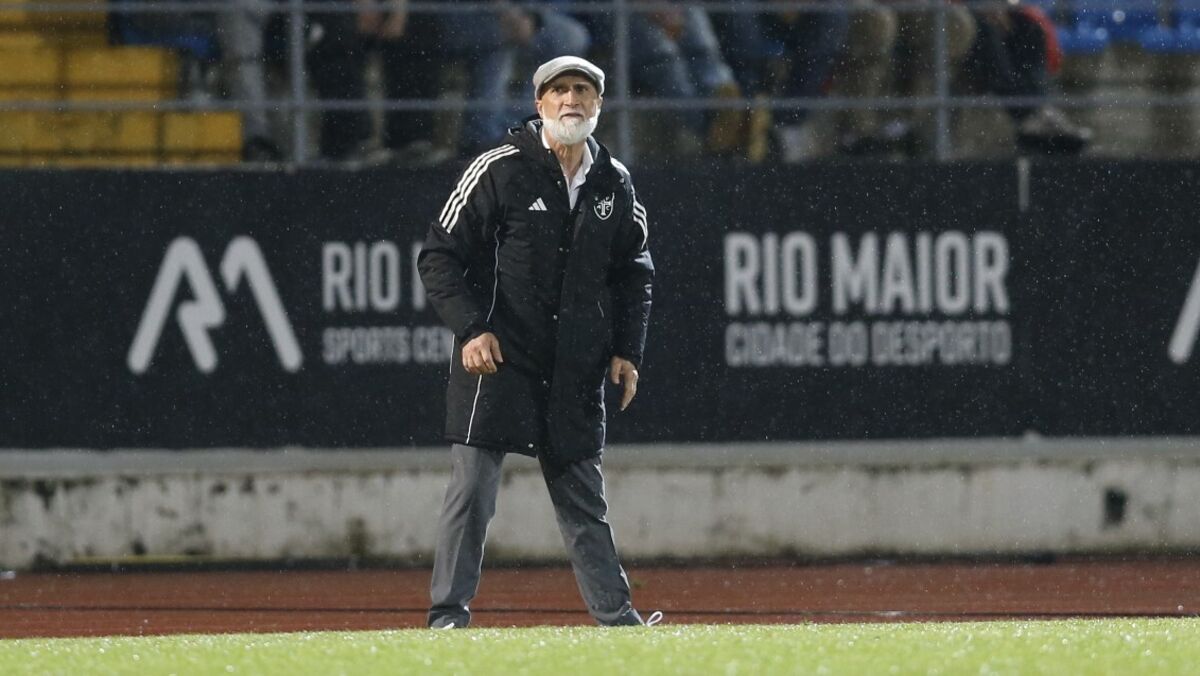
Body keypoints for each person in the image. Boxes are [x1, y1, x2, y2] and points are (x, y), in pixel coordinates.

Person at [417, 56, 658, 629]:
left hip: (575, 365)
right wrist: (471, 329)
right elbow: (439, 255)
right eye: (560, 90)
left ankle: (617, 620)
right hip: (499, 358)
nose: (571, 100)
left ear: (599, 104)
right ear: (539, 103)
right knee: (472, 494)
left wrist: (628, 350)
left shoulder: (615, 181)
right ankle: (447, 617)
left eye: (583, 90)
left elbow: (635, 272)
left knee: (583, 500)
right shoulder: (498, 169)